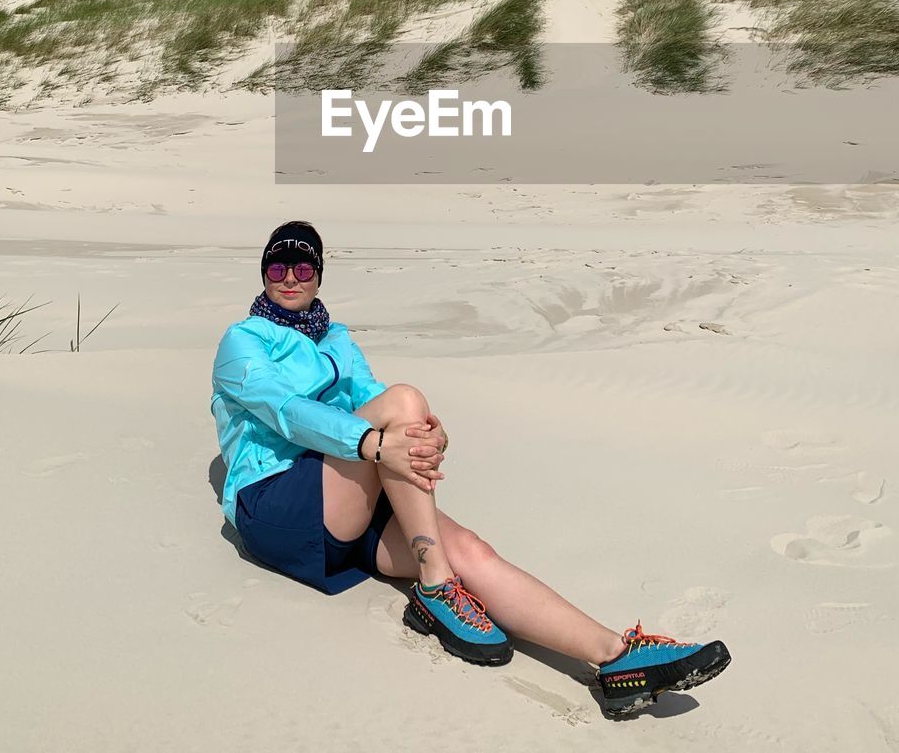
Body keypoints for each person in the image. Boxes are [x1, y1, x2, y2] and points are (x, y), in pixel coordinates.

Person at [211, 220, 731, 718]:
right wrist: (374, 442)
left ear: (319, 275)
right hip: (276, 501)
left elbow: (370, 395)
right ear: (263, 274)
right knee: (405, 400)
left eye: (302, 269)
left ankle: (616, 659)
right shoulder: (244, 342)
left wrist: (428, 432)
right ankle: (435, 591)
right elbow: (286, 410)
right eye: (277, 268)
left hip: (344, 487)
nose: (289, 279)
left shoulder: (337, 341)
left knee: (470, 550)